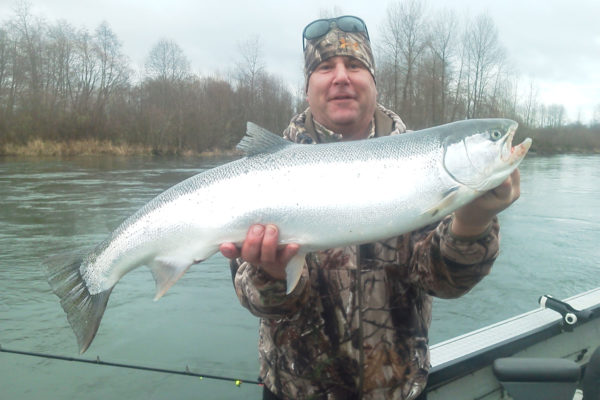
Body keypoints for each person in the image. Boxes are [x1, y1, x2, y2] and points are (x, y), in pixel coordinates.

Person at [219, 15, 521, 400]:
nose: (341, 76)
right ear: (308, 87)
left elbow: (445, 283)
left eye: (355, 65)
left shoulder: (422, 168)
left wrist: (473, 221)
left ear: (373, 82)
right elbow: (255, 301)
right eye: (325, 67)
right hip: (293, 392)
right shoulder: (261, 174)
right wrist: (272, 274)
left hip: (398, 390)